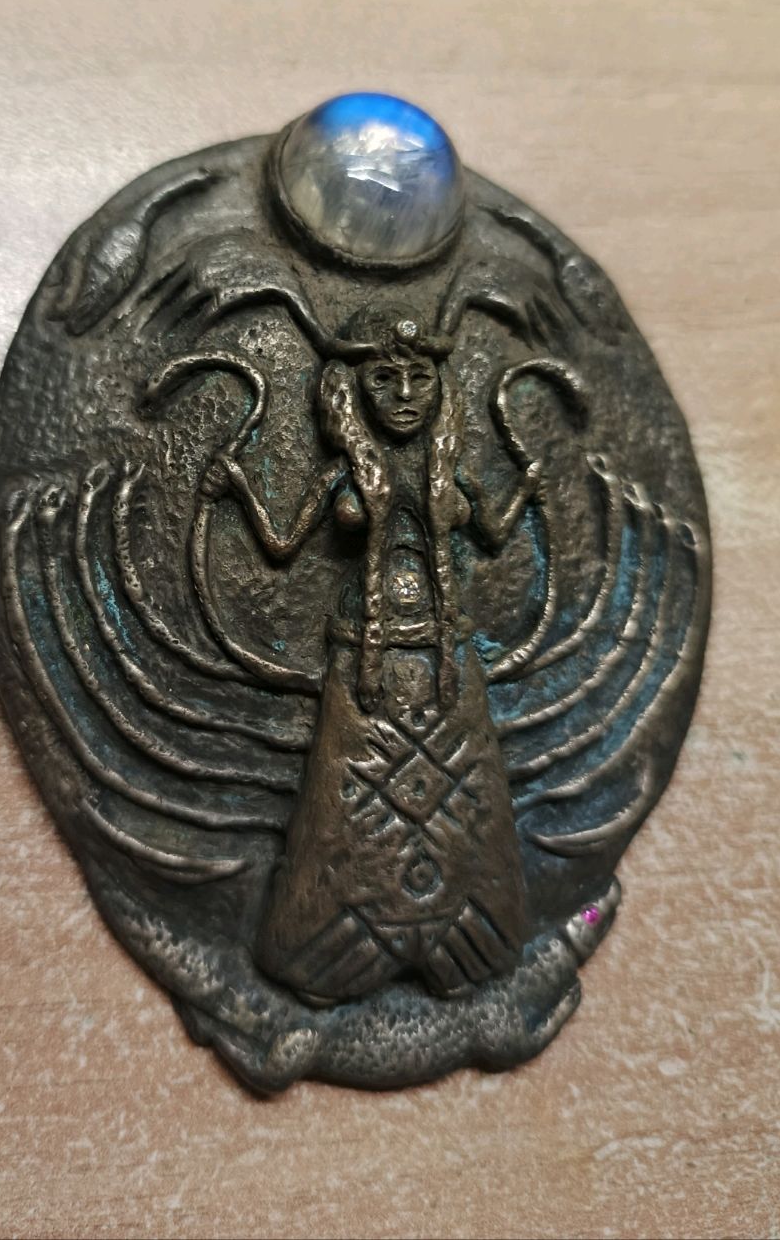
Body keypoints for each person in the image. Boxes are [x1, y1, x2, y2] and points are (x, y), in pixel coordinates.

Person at [199, 305, 539, 1003]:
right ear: (351, 389)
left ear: (442, 386)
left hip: (447, 660)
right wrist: (238, 488)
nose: (404, 395)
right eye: (384, 379)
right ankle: (330, 948)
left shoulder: (450, 470)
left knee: (463, 797)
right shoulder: (345, 472)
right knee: (350, 798)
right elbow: (283, 545)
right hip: (364, 664)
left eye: (420, 379)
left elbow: (495, 532)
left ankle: (468, 948)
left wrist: (527, 482)